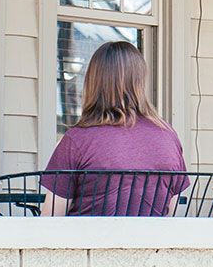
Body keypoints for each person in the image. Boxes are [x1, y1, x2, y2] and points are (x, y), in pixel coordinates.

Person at [40, 41, 187, 216]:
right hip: (152, 242)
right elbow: (173, 212)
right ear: (140, 82)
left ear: (94, 82)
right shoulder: (168, 136)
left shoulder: (77, 139)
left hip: (89, 242)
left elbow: (50, 220)